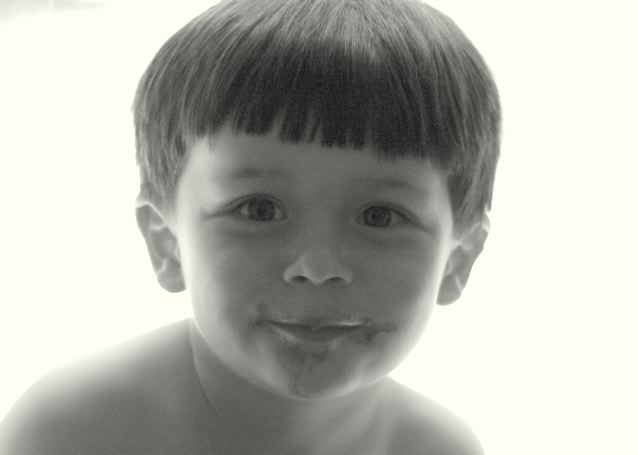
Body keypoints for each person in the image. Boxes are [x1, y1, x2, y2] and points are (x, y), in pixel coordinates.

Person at [0, 0, 500, 453]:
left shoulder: (440, 447)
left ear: (457, 259)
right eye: (258, 210)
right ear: (167, 242)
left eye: (380, 216)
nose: (317, 266)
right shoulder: (71, 431)